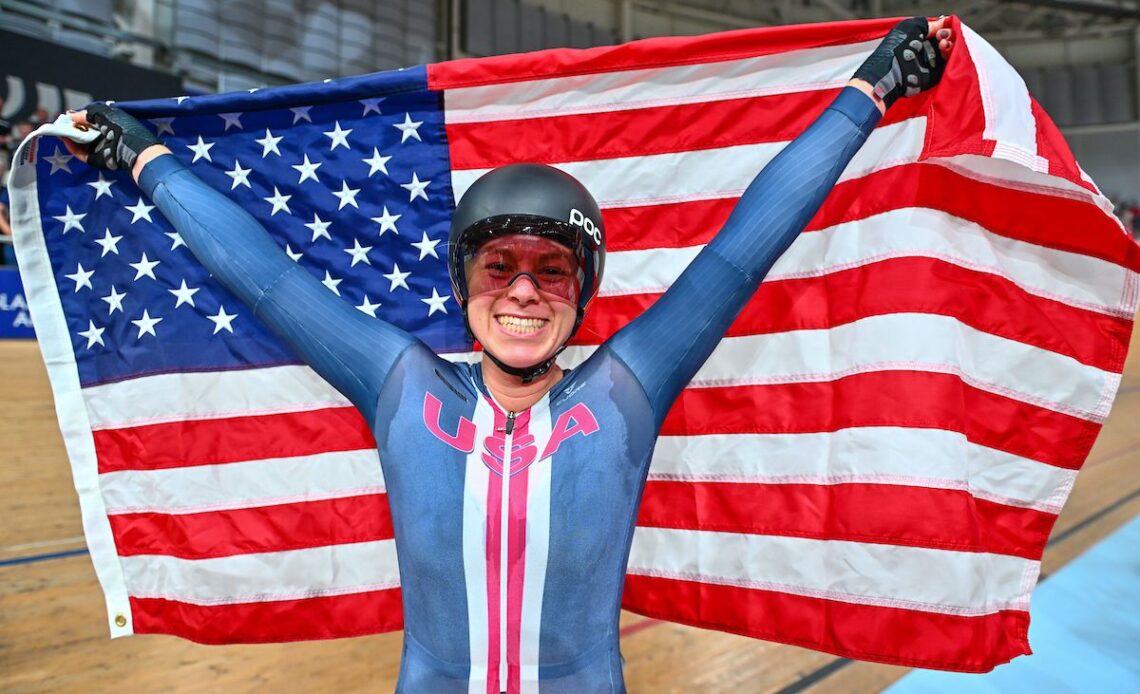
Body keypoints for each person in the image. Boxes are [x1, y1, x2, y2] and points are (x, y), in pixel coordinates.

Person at [62, 17, 953, 694]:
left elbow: (743, 248)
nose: (523, 291)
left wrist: (867, 95)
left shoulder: (628, 386)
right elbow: (267, 281)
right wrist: (147, 161)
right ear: (464, 280)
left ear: (582, 291)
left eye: (550, 271)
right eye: (500, 266)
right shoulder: (400, 384)